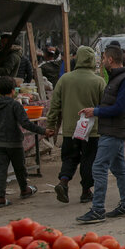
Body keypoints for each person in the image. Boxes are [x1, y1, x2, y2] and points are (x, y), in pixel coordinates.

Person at [76, 45, 125, 224]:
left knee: (99, 167)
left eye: (103, 58)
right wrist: (94, 110)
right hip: (112, 129)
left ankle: (97, 209)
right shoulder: (117, 78)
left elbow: (119, 108)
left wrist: (96, 111)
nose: (102, 61)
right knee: (119, 169)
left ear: (110, 59)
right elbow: (113, 105)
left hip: (114, 130)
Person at [46, 46, 105, 205]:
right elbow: (105, 106)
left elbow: (55, 105)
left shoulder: (65, 79)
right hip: (92, 130)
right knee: (89, 160)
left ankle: (63, 181)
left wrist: (51, 125)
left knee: (69, 157)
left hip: (70, 129)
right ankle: (86, 191)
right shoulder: (98, 81)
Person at [0, 76, 47, 208]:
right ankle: (24, 189)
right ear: (13, 90)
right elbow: (26, 123)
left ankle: (0, 197)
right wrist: (43, 131)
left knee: (1, 170)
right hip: (14, 142)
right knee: (20, 168)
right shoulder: (15, 105)